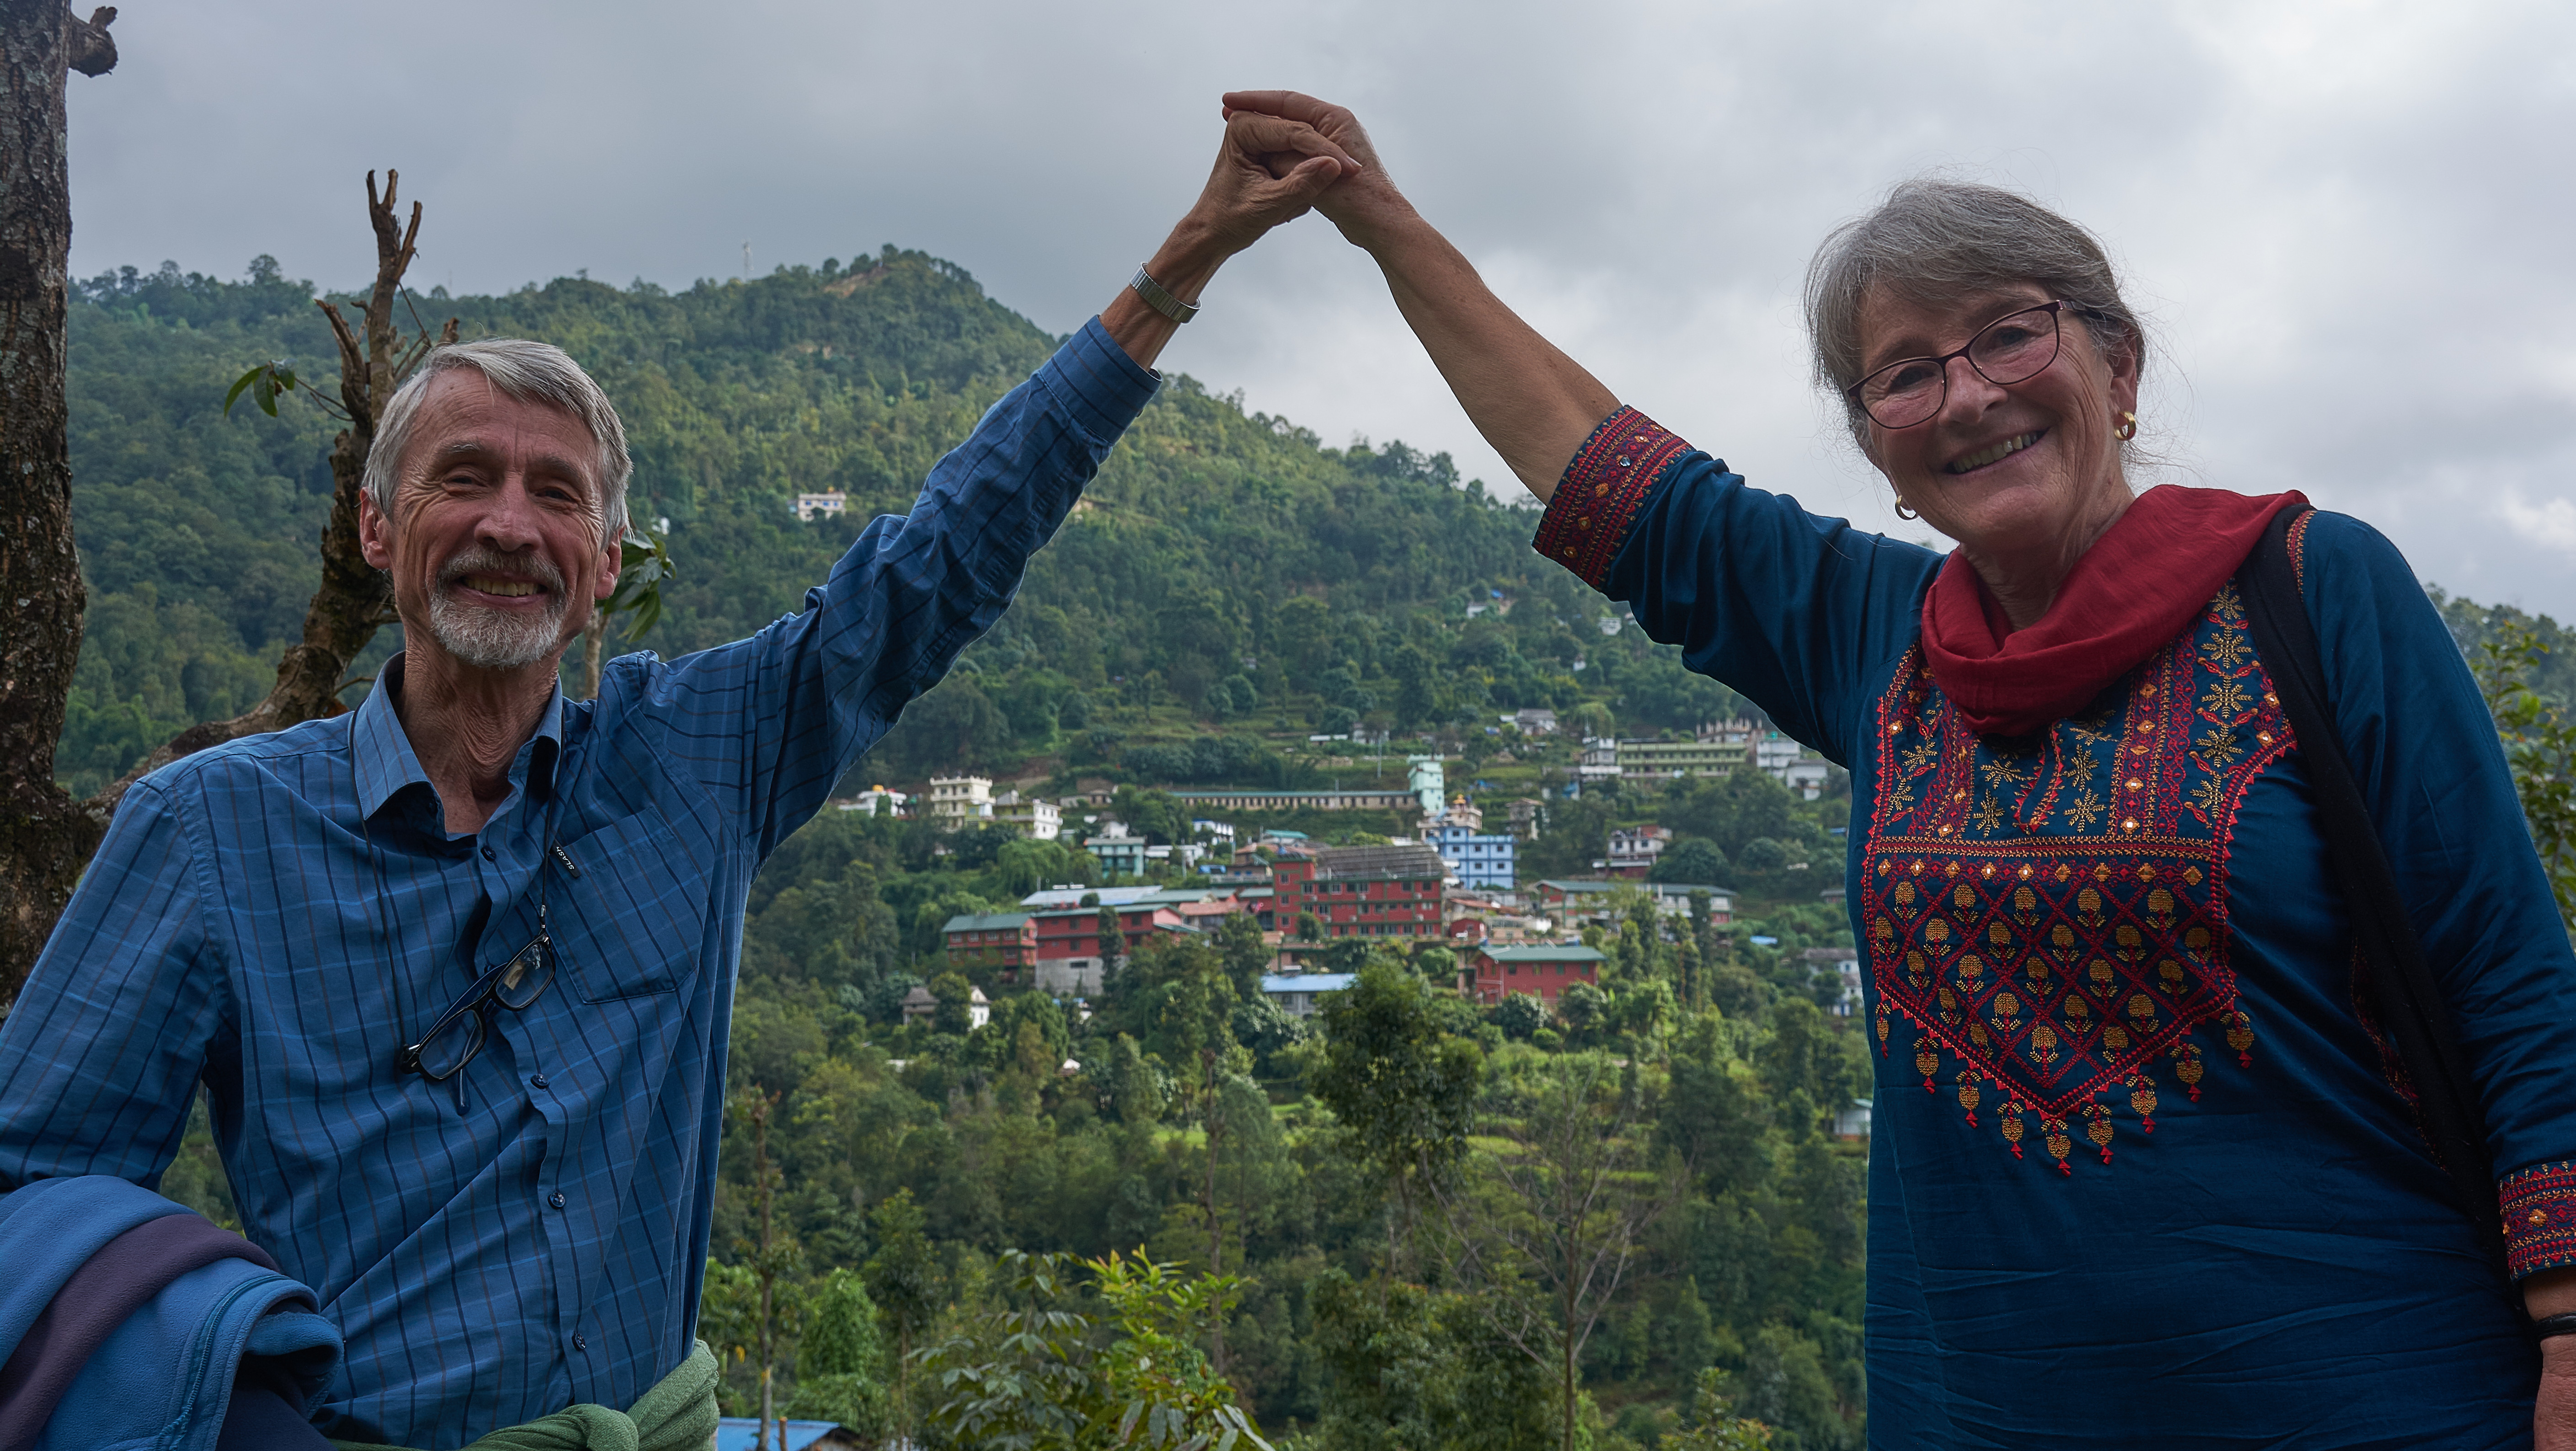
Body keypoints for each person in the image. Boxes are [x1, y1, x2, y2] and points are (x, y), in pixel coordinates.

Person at [1224, 89, 2576, 1446]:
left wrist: (2570, 1337)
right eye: (1906, 371)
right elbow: (1601, 469)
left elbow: (2505, 978)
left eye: (2007, 332)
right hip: (1984, 1409)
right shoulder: (1877, 644)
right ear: (1880, 447)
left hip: (2369, 1393)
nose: (1969, 393)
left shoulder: (2309, 589)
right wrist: (1381, 224)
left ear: (2116, 367)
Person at [0, 109, 1361, 1449]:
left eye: (558, 496)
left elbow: (944, 556)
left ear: (602, 566)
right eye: (461, 479)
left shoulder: (696, 758)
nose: (509, 525)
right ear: (376, 527)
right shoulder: (210, 833)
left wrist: (1184, 260)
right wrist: (230, 1406)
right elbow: (32, 1184)